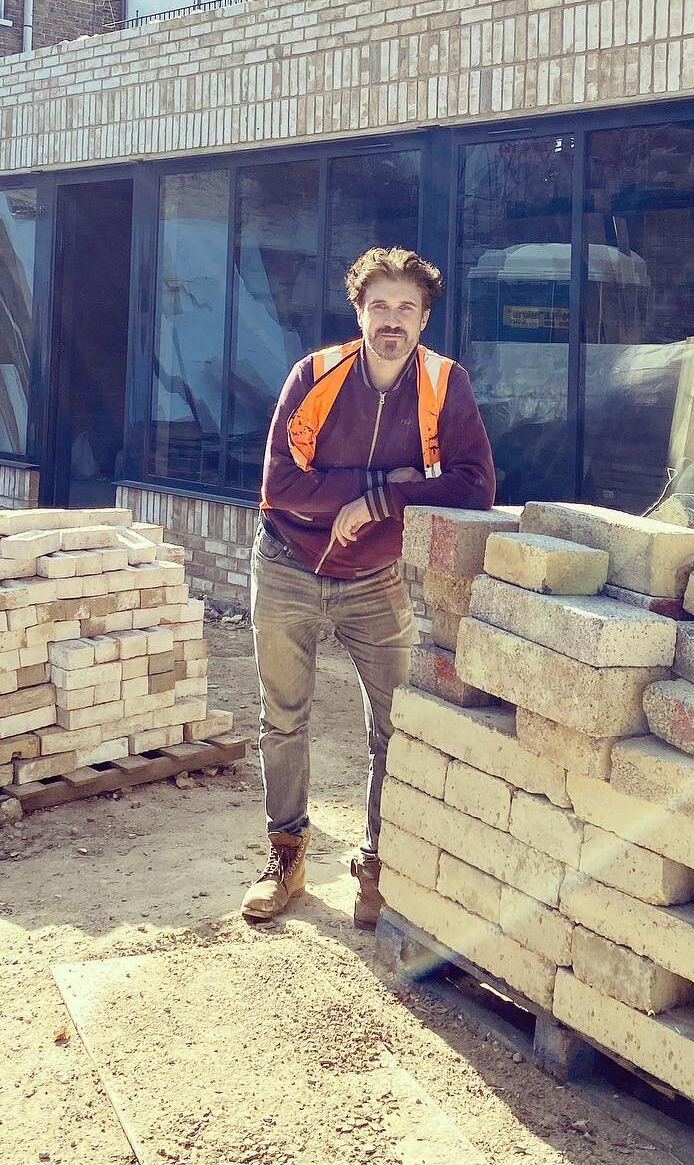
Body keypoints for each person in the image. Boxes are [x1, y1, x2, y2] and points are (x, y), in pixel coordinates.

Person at [240, 246, 496, 928]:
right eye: (378, 306)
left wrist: (378, 504)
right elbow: (280, 487)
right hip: (289, 563)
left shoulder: (445, 384)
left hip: (374, 578)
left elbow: (475, 485)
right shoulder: (315, 375)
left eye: (405, 308)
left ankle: (375, 866)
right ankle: (286, 857)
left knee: (394, 726)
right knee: (284, 718)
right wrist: (393, 485)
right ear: (358, 312)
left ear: (423, 318)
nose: (391, 319)